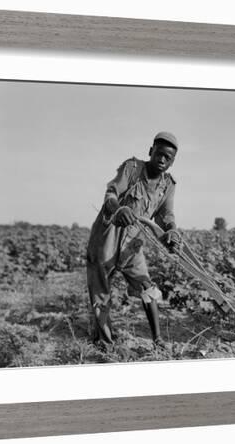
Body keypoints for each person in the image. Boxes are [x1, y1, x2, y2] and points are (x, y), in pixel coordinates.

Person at [86, 131, 181, 348]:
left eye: (168, 158)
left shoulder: (168, 185)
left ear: (172, 161)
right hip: (108, 236)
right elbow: (111, 193)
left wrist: (172, 231)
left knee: (148, 288)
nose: (162, 160)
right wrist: (118, 209)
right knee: (101, 292)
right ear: (151, 151)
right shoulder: (132, 168)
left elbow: (166, 215)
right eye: (159, 154)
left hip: (133, 243)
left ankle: (158, 341)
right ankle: (104, 345)